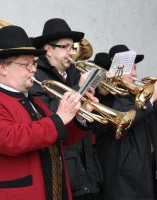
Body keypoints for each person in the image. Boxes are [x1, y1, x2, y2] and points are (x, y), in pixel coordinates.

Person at [0, 25, 93, 200]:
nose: (34, 69)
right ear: (3, 68)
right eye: (26, 64)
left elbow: (59, 136)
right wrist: (60, 118)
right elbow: (12, 140)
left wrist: (78, 117)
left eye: (34, 63)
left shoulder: (33, 101)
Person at [31, 18, 103, 200]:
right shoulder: (36, 77)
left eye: (72, 47)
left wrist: (88, 101)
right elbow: (48, 115)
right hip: (63, 168)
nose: (72, 52)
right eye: (66, 47)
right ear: (48, 48)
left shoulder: (73, 73)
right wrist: (79, 89)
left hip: (87, 165)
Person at [94, 44, 157, 200]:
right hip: (124, 180)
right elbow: (119, 124)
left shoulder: (137, 95)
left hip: (149, 173)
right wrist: (150, 102)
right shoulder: (104, 98)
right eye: (129, 69)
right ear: (115, 71)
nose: (134, 74)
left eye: (135, 68)